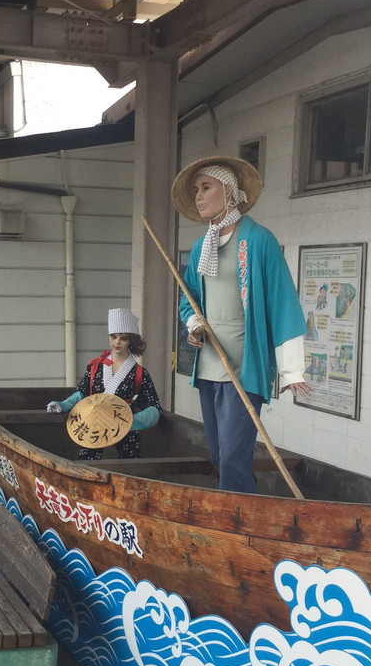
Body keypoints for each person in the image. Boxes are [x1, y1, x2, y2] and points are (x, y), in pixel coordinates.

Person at [173, 156, 311, 493]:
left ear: (229, 191)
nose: (199, 197)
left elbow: (282, 302)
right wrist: (194, 325)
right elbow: (187, 297)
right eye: (196, 190)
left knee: (234, 455)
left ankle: (239, 518)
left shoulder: (258, 240)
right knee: (220, 453)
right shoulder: (202, 245)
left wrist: (292, 371)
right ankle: (236, 512)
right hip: (209, 362)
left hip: (243, 364)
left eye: (206, 188)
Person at [46, 308, 162, 460]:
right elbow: (82, 393)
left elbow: (154, 407)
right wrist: (63, 404)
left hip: (124, 425)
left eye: (123, 338)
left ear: (130, 340)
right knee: (87, 463)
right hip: (94, 421)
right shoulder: (96, 367)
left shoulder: (140, 373)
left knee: (129, 463)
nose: (117, 342)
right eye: (113, 337)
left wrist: (132, 422)